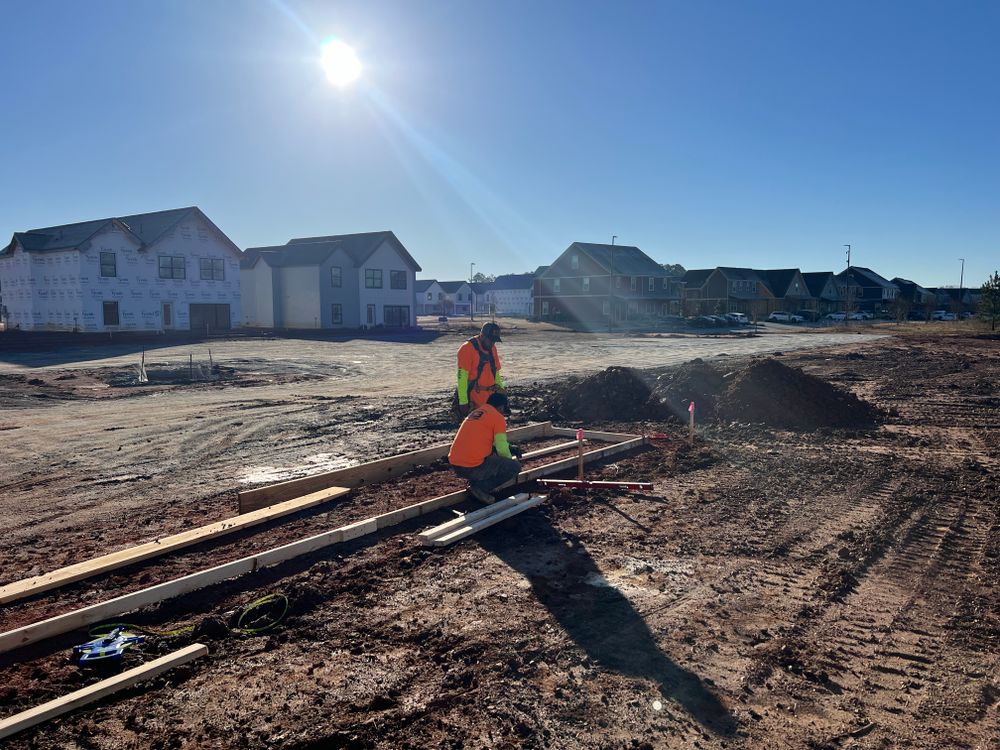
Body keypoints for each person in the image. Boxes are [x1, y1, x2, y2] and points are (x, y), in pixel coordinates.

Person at [448, 392, 523, 504]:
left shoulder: (476, 413)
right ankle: (480, 488)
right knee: (513, 467)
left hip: (456, 463)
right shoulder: (497, 418)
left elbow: (484, 439)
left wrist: (510, 447)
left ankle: (476, 481)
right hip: (471, 467)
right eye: (503, 409)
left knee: (492, 454)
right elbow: (501, 447)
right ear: (501, 407)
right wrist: (509, 461)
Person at [454, 322, 505, 420]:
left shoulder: (492, 348)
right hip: (474, 399)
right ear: (482, 336)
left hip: (491, 397)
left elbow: (496, 373)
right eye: (491, 340)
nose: (492, 343)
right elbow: (462, 378)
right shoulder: (467, 348)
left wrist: (502, 394)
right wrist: (463, 402)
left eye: (494, 341)